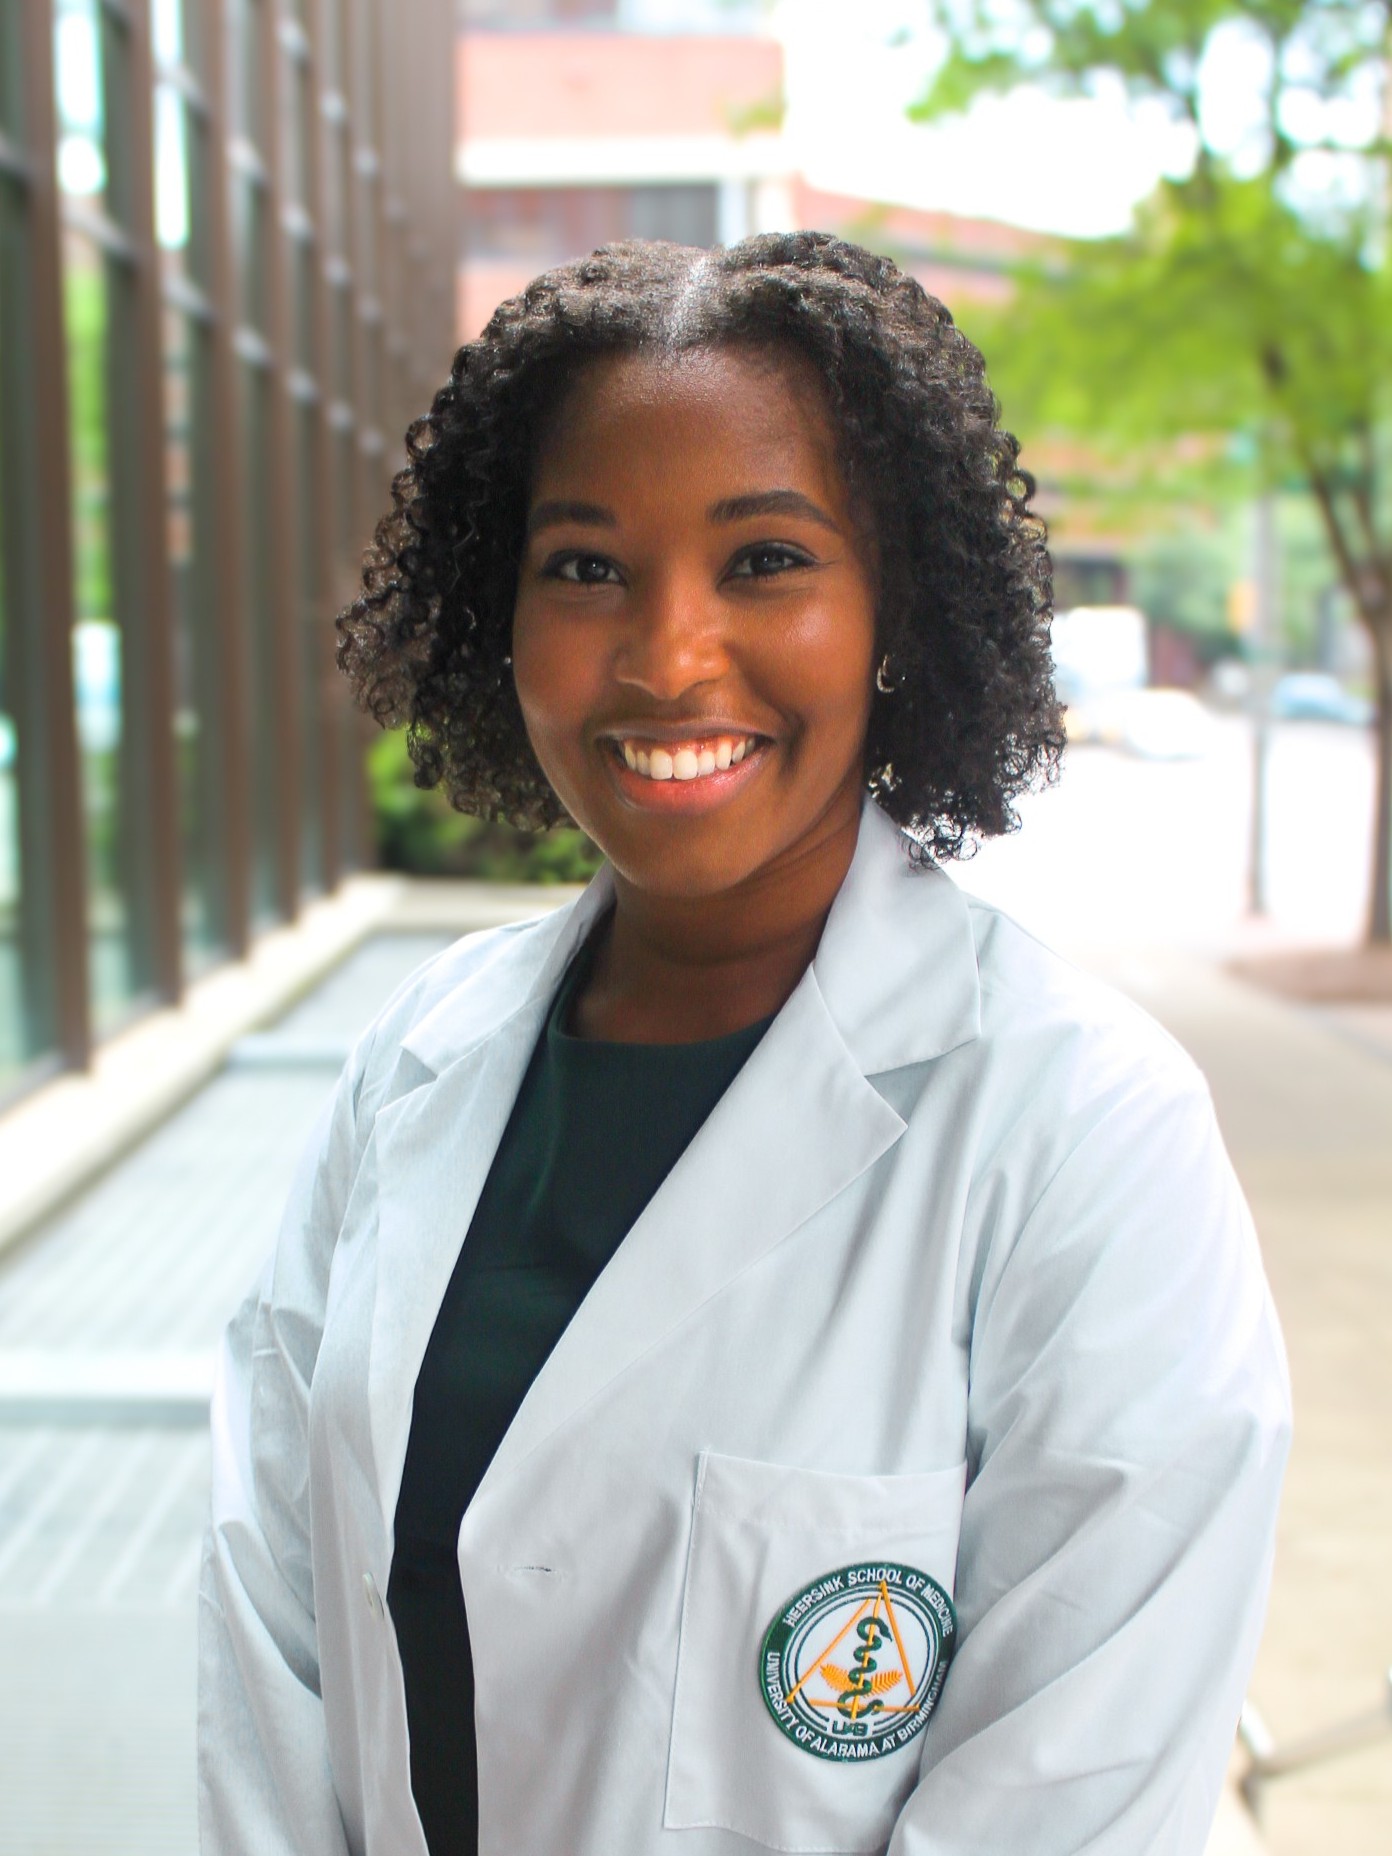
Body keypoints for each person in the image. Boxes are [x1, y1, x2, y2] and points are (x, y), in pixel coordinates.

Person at [198, 233, 1290, 1856]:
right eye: (586, 568)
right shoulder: (414, 1063)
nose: (667, 656)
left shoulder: (1084, 1131)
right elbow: (270, 1634)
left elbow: (1078, 1793)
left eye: (765, 560)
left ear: (893, 608)